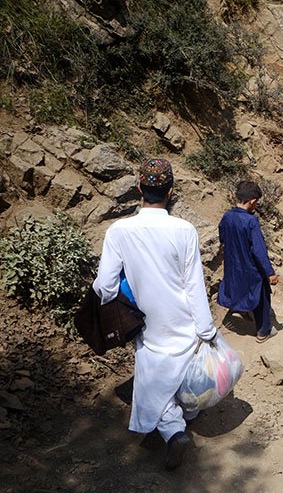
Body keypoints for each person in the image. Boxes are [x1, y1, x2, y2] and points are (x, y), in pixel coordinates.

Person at [93, 158, 217, 470]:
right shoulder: (185, 230)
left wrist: (120, 297)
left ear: (139, 188)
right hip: (185, 321)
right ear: (170, 192)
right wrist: (207, 329)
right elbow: (194, 284)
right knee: (184, 375)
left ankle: (174, 433)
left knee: (150, 385)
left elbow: (105, 287)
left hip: (149, 325)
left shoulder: (119, 231)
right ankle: (185, 416)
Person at [218, 181, 280, 343]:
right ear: (252, 201)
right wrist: (270, 273)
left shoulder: (227, 216)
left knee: (238, 287)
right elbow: (258, 251)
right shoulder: (251, 221)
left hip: (233, 263)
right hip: (250, 267)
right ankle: (263, 331)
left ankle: (241, 309)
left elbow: (222, 237)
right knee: (262, 297)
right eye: (256, 203)